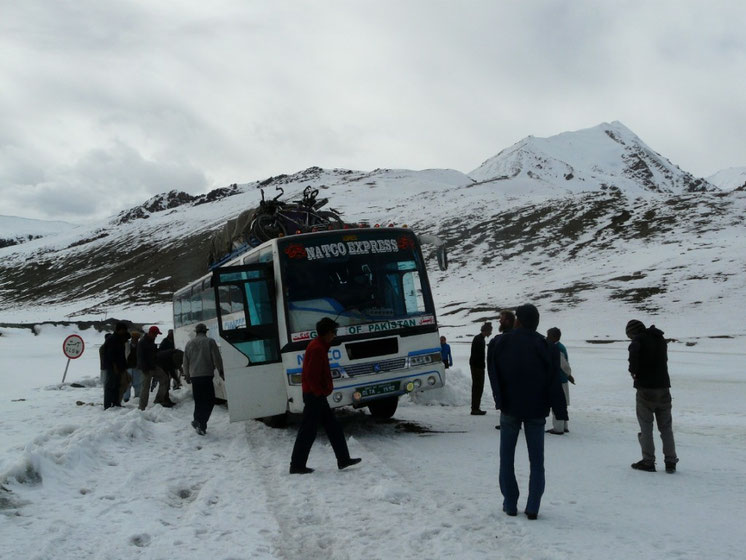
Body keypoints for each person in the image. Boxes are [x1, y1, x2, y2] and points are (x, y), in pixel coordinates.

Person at [488, 304, 567, 520]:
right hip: (537, 410)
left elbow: (494, 373)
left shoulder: (499, 342)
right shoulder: (547, 346)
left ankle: (510, 503)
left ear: (518, 320)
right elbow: (554, 381)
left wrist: (499, 399)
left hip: (510, 408)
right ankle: (533, 507)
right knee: (537, 461)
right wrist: (560, 411)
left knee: (507, 457)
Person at [290, 317, 361, 474]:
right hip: (314, 396)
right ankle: (296, 465)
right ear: (326, 333)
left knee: (333, 427)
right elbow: (310, 375)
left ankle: (343, 459)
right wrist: (319, 392)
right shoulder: (317, 348)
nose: (334, 335)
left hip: (316, 395)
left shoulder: (320, 346)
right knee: (308, 431)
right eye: (333, 332)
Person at [626, 319, 678, 473]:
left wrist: (633, 371)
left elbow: (633, 358)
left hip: (645, 390)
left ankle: (648, 461)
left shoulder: (638, 341)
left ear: (633, 332)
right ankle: (671, 461)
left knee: (646, 427)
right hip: (663, 388)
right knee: (666, 427)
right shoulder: (659, 339)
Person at [183, 323, 224, 435]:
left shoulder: (189, 343)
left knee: (199, 400)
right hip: (206, 375)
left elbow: (185, 361)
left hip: (194, 376)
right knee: (209, 401)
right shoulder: (210, 342)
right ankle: (201, 423)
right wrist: (221, 372)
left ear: (196, 332)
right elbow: (217, 358)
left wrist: (187, 375)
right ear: (205, 331)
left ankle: (197, 420)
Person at [488, 310, 515, 429]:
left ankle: (509, 421)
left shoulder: (500, 340)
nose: (499, 321)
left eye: (502, 319)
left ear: (508, 321)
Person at [546, 327, 575, 435]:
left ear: (554, 337)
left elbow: (564, 365)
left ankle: (558, 428)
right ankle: (564, 426)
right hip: (562, 380)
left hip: (559, 380)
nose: (547, 337)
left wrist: (569, 374)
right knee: (563, 404)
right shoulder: (559, 346)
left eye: (548, 335)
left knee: (557, 404)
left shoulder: (556, 348)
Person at [137, 326, 173, 409]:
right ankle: (142, 407)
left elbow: (155, 353)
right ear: (151, 333)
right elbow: (140, 357)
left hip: (153, 366)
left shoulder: (151, 341)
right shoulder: (142, 342)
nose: (156, 336)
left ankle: (159, 400)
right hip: (146, 368)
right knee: (145, 387)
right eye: (156, 334)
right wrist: (144, 368)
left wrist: (168, 352)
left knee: (165, 379)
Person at [101, 323, 130, 409]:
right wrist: (115, 366)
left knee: (117, 385)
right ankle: (107, 405)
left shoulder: (120, 339)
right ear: (118, 330)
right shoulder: (112, 339)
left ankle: (115, 403)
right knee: (110, 385)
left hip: (120, 365)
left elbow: (128, 337)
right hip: (112, 366)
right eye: (123, 330)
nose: (124, 332)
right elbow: (111, 355)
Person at [469, 322, 493, 415]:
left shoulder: (479, 339)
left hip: (477, 366)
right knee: (478, 387)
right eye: (490, 331)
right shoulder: (479, 339)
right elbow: (477, 355)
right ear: (486, 330)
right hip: (477, 367)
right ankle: (475, 408)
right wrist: (481, 366)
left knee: (477, 387)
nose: (490, 333)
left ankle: (475, 407)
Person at [123, 331, 142, 402]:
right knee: (127, 384)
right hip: (128, 368)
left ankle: (137, 398)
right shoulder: (127, 345)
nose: (136, 339)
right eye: (134, 338)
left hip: (137, 368)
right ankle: (126, 399)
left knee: (138, 384)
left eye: (137, 338)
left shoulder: (140, 346)